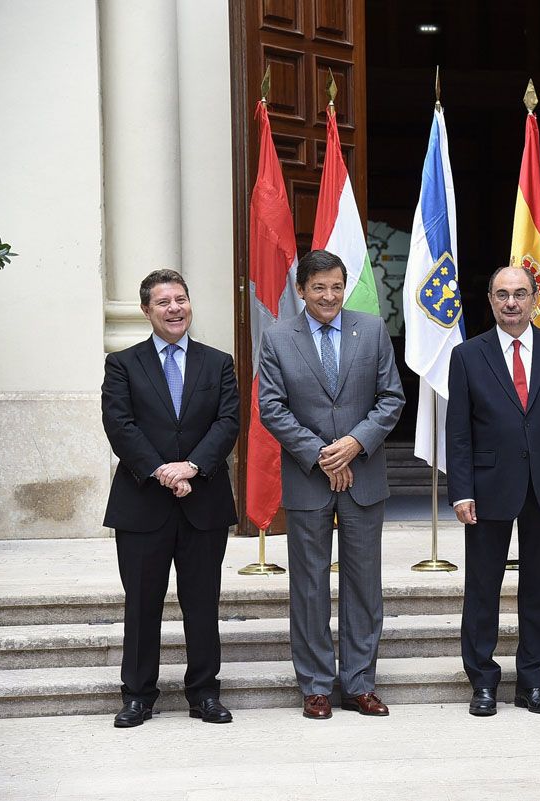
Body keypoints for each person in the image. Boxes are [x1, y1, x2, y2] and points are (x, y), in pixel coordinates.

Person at [258, 249, 405, 720]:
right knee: (309, 586)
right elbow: (272, 408)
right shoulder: (278, 337)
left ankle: (359, 684)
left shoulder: (373, 329)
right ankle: (316, 686)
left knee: (364, 585)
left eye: (336, 286)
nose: (329, 295)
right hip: (308, 479)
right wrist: (323, 454)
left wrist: (353, 445)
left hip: (363, 476)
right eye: (318, 287)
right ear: (301, 290)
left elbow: (391, 398)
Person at [446, 266, 540, 716]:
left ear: (535, 300)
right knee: (483, 587)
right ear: (489, 300)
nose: (512, 303)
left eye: (520, 294)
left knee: (539, 589)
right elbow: (459, 433)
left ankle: (532, 683)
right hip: (488, 488)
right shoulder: (468, 355)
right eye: (502, 295)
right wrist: (461, 490)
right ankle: (483, 683)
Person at [101, 269, 240, 728]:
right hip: (143, 503)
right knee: (142, 604)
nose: (175, 308)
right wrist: (162, 470)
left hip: (204, 502)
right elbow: (120, 425)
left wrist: (192, 467)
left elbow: (227, 423)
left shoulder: (218, 362)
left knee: (203, 602)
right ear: (146, 311)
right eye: (163, 302)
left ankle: (204, 693)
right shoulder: (122, 363)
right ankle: (138, 695)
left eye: (180, 299)